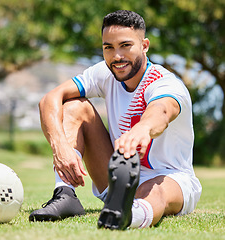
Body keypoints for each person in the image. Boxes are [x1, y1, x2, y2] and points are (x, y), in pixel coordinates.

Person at [29, 10, 202, 230]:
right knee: (74, 106)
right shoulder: (105, 73)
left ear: (145, 45)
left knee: (154, 190)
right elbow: (50, 99)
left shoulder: (166, 83)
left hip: (171, 180)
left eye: (125, 45)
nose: (116, 56)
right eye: (108, 47)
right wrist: (60, 147)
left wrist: (143, 129)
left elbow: (163, 110)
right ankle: (65, 194)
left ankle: (128, 216)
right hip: (114, 178)